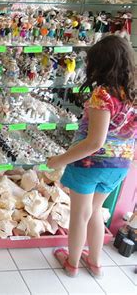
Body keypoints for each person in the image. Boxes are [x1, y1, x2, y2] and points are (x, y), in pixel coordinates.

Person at [47, 35, 135, 278]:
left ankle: (72, 262)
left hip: (90, 165)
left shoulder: (103, 95)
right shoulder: (133, 93)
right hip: (119, 165)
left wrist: (59, 159)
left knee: (80, 213)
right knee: (96, 211)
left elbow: (94, 142)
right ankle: (95, 262)